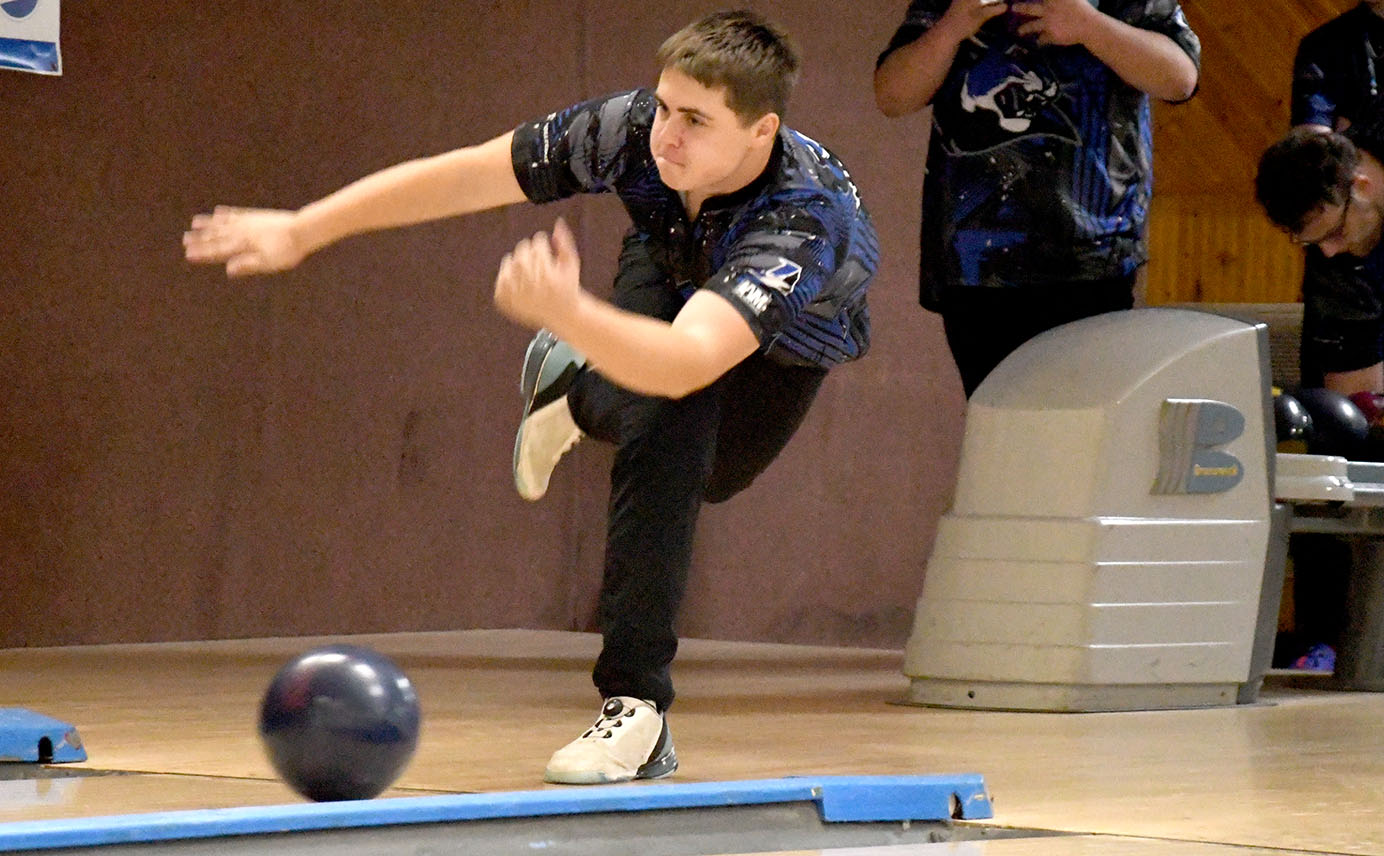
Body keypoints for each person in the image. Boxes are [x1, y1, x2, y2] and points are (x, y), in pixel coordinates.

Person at [183, 10, 878, 785]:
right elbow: (471, 172)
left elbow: (688, 359)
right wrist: (306, 228)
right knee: (665, 437)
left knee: (711, 470)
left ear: (761, 132)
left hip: (784, 345)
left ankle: (575, 391)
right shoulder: (629, 129)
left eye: (696, 121)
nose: (666, 137)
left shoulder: (806, 218)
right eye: (664, 106)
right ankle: (636, 707)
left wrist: (570, 315)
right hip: (669, 266)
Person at [873, 0, 1200, 396]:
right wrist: (953, 27)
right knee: (997, 432)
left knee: (1080, 434)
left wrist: (1088, 25)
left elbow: (1180, 78)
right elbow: (893, 95)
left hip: (1092, 259)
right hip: (975, 265)